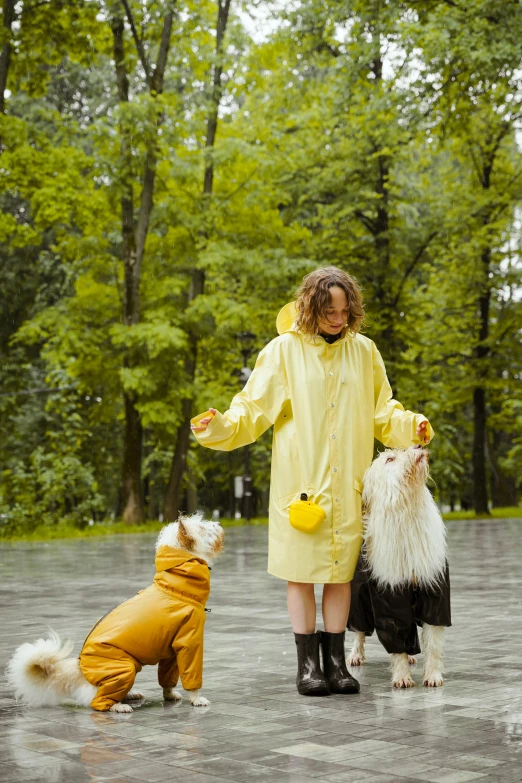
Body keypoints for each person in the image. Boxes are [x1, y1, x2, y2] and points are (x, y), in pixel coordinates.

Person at [190, 266, 433, 697]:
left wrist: (411, 425)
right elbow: (252, 409)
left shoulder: (365, 351)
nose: (338, 319)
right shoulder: (283, 351)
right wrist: (219, 426)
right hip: (300, 486)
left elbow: (383, 411)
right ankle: (307, 667)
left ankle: (336, 664)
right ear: (309, 306)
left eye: (344, 311)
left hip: (347, 489)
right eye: (329, 311)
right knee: (301, 576)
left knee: (341, 578)